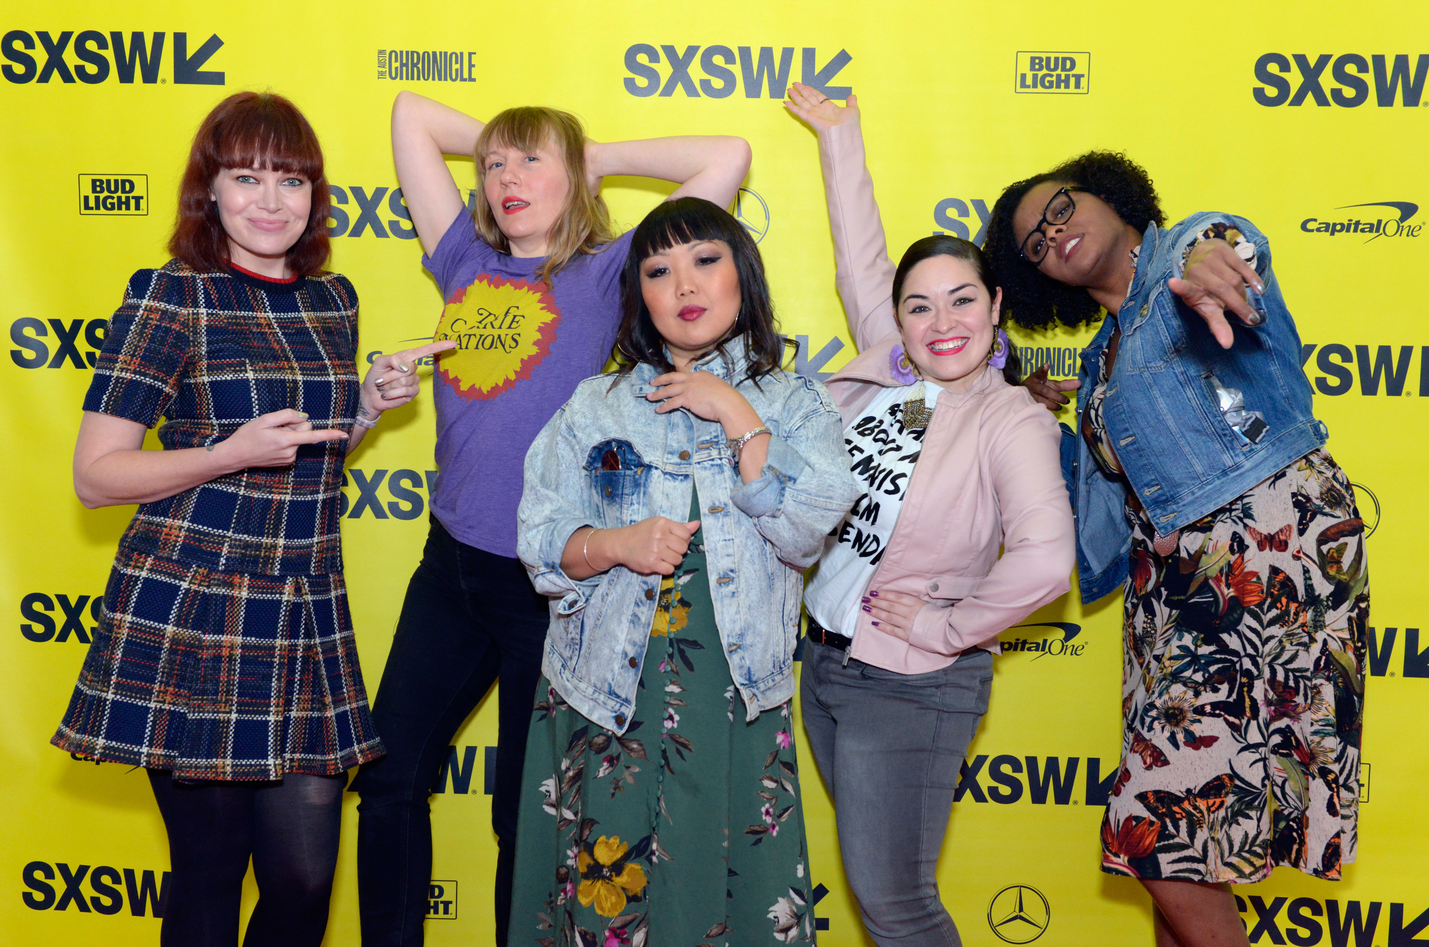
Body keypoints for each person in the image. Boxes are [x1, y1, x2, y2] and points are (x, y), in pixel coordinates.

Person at [52, 91, 452, 947]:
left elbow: (304, 446)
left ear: (315, 195)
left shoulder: (330, 301)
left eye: (292, 180)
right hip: (196, 607)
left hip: (304, 609)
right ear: (210, 190)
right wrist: (225, 452)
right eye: (247, 178)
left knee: (307, 883)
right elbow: (96, 474)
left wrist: (369, 408)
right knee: (208, 878)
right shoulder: (171, 296)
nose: (271, 201)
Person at [354, 91, 752, 947]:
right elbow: (410, 113)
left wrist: (589, 150)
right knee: (388, 780)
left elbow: (726, 155)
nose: (504, 177)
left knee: (520, 810)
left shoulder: (609, 271)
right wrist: (522, 142)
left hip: (547, 579)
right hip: (451, 565)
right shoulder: (460, 253)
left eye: (529, 161)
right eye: (493, 163)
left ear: (575, 178)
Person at [983, 150, 1369, 947]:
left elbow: (1230, 245)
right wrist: (1016, 411)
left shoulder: (1186, 255)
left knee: (1157, 831)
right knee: (1194, 845)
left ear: (1108, 193)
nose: (1052, 234)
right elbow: (1094, 507)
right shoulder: (1098, 365)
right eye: (1031, 244)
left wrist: (1208, 260)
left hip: (1264, 554)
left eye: (1060, 207)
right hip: (1167, 597)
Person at [510, 195, 856, 945]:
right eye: (660, 271)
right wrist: (615, 544)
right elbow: (540, 541)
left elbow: (804, 529)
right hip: (607, 696)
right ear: (641, 295)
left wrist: (735, 411)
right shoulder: (595, 404)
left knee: (729, 905)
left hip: (734, 699)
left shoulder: (796, 401)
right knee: (609, 906)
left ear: (743, 276)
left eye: (706, 260)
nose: (685, 286)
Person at [783, 85, 1076, 946]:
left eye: (961, 300)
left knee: (897, 902)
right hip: (830, 666)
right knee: (884, 895)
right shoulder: (893, 370)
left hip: (912, 681)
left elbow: (1046, 560)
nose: (939, 321)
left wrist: (950, 624)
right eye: (920, 305)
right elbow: (858, 258)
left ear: (995, 308)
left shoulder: (1009, 418)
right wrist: (841, 139)